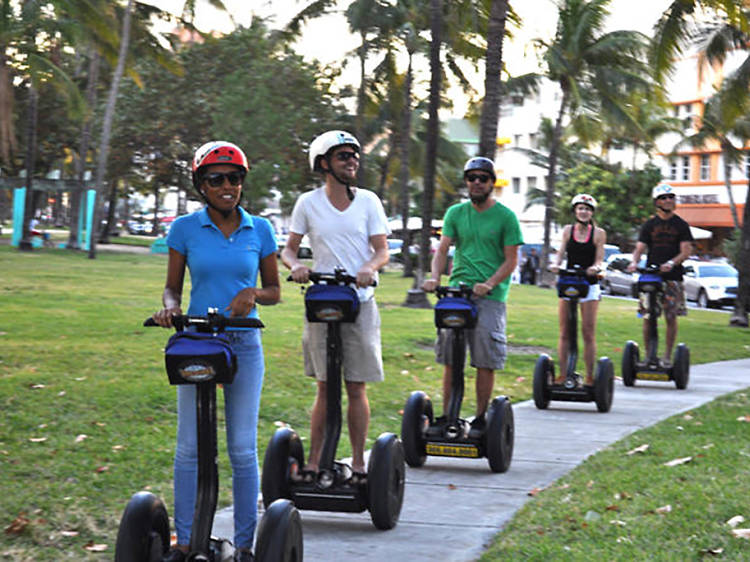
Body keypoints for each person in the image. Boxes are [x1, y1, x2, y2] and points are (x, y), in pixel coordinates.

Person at [152, 141, 280, 562]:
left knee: (241, 448)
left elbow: (275, 292)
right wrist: (171, 308)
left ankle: (244, 546)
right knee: (189, 447)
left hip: (243, 342)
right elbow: (173, 286)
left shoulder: (259, 229)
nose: (228, 186)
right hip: (198, 342)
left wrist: (253, 293)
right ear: (201, 185)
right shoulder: (185, 229)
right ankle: (186, 542)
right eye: (217, 179)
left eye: (235, 178)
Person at [281, 130, 390, 482]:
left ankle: (358, 463)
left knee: (356, 385)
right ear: (324, 163)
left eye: (354, 156)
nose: (352, 161)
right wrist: (295, 267)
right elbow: (289, 249)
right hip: (323, 301)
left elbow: (382, 250)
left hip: (359, 302)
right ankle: (314, 462)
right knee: (325, 385)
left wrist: (368, 268)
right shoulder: (308, 203)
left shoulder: (369, 201)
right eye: (343, 156)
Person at [422, 156, 523, 436]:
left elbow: (511, 260)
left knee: (484, 359)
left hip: (489, 297)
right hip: (456, 293)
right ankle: (448, 415)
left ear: (492, 183)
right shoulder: (455, 213)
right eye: (471, 178)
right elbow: (442, 250)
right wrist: (434, 277)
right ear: (466, 182)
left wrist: (489, 283)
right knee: (450, 358)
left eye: (483, 178)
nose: (476, 183)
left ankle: (480, 418)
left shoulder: (506, 217)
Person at [627, 183, 694, 367]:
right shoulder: (650, 225)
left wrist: (672, 263)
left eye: (671, 197)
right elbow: (640, 248)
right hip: (651, 276)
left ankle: (666, 356)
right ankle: (649, 356)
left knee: (670, 316)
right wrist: (634, 262)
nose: (668, 200)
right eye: (664, 198)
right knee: (648, 316)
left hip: (673, 277)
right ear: (657, 202)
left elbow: (686, 251)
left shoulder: (681, 225)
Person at [549, 194, 606, 385]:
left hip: (589, 285)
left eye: (587, 209)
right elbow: (560, 253)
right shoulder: (567, 230)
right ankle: (563, 375)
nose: (584, 212)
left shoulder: (598, 233)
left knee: (588, 332)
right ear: (575, 211)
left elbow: (599, 259)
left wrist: (595, 268)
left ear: (592, 213)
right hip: (569, 283)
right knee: (565, 331)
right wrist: (556, 265)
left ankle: (590, 377)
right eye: (580, 208)